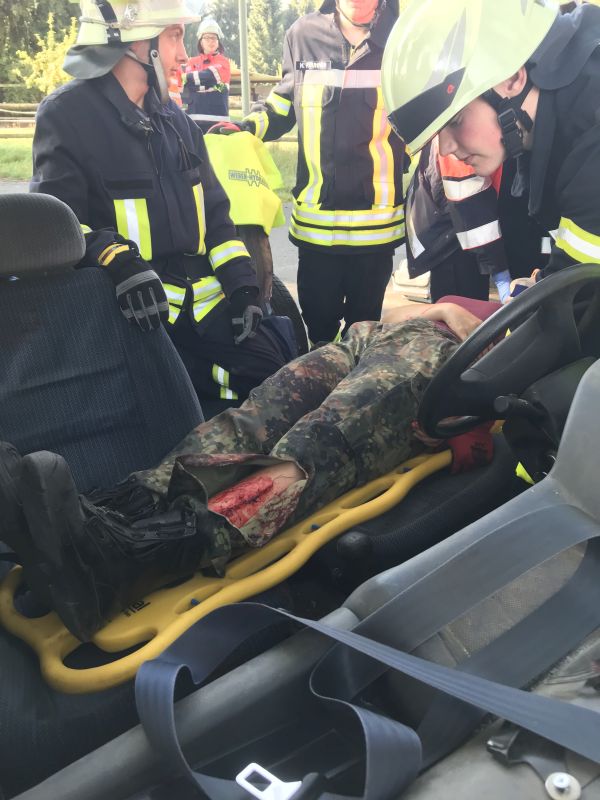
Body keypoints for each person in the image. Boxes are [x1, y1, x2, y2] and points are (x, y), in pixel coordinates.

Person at [0, 300, 484, 642]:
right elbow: (394, 312)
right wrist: (439, 308)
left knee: (316, 444)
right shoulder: (492, 295)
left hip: (444, 365)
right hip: (372, 338)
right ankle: (103, 518)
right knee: (249, 420)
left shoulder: (525, 311)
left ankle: (129, 561)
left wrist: (466, 415)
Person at [29, 0, 289, 404]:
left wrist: (242, 287)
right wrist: (118, 260)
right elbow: (56, 225)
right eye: (173, 37)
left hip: (202, 309)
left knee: (276, 375)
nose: (184, 55)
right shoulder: (67, 116)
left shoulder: (177, 122)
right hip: (133, 313)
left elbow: (217, 216)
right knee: (162, 405)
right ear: (135, 42)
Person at [382, 0, 600, 292]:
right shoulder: (562, 114)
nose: (444, 149)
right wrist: (539, 287)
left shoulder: (592, 136)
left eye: (455, 121)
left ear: (512, 79)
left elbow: (579, 300)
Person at [228, 0, 405, 345]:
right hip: (317, 230)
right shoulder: (302, 34)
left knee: (364, 337)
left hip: (375, 232)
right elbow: (282, 104)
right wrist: (245, 128)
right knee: (319, 335)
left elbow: (416, 117)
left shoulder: (401, 37)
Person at [406, 139, 550, 302]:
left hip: (493, 223)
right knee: (461, 308)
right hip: (453, 237)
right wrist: (500, 273)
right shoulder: (457, 138)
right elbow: (471, 206)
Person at [181, 19, 230, 117]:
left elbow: (211, 77)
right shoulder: (192, 62)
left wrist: (192, 82)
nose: (211, 41)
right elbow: (187, 86)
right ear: (201, 41)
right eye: (207, 38)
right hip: (194, 117)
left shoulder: (224, 62)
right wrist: (212, 87)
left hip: (218, 117)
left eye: (214, 38)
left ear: (218, 42)